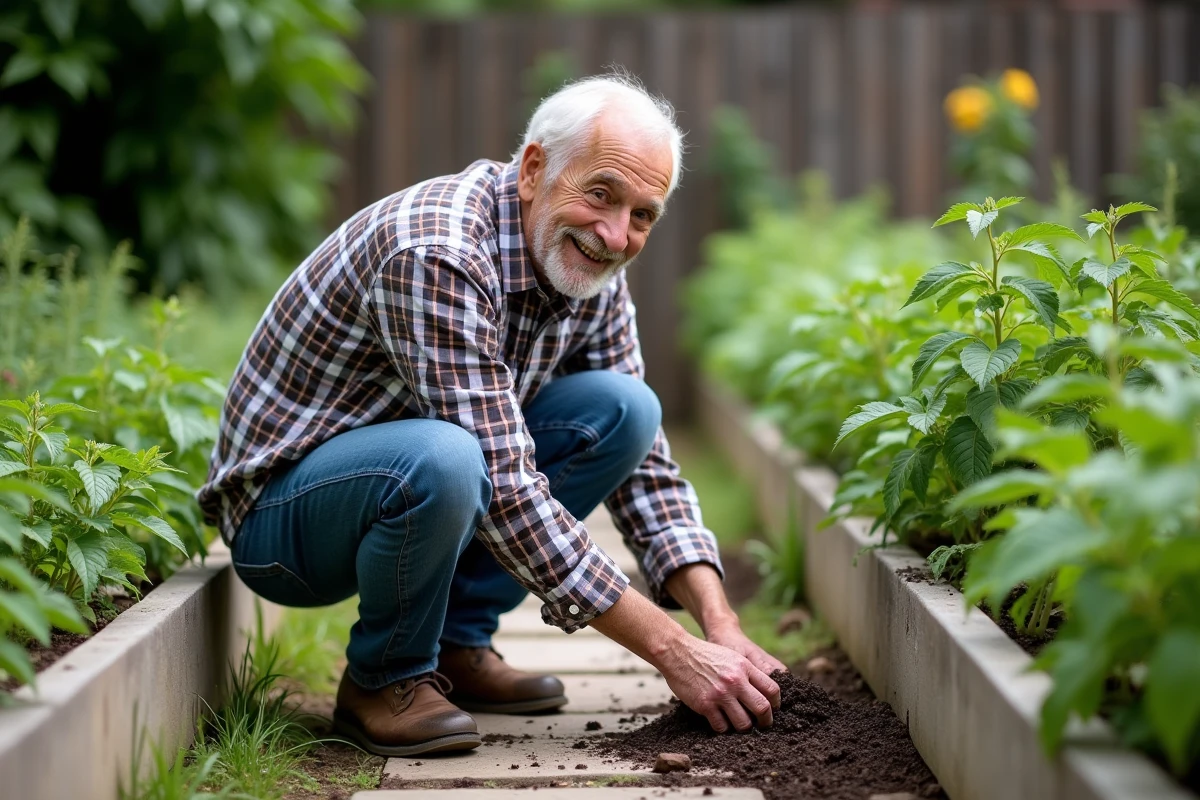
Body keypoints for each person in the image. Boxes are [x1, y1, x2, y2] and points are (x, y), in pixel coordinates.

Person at [198, 72, 785, 758]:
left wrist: (720, 625)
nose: (616, 234)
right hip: (286, 522)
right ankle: (383, 681)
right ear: (535, 168)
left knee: (625, 410)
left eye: (642, 214)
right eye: (601, 193)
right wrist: (672, 649)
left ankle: (455, 645)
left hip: (413, 475)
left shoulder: (591, 263)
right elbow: (506, 489)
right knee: (447, 457)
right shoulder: (438, 251)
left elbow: (647, 465)